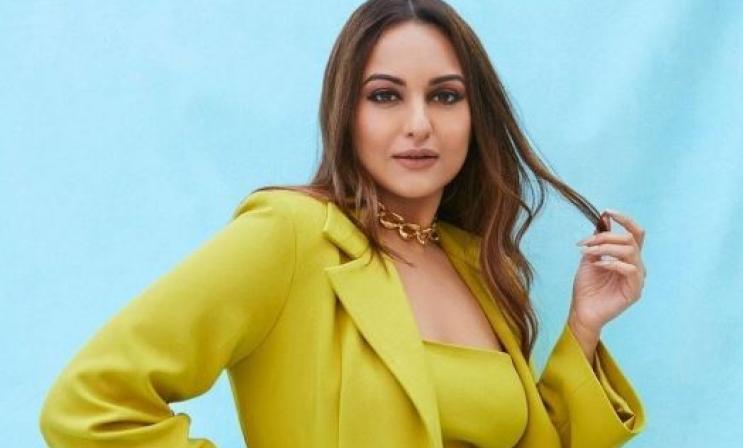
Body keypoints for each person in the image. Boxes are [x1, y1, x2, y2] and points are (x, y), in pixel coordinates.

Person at [39, 0, 648, 447]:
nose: (419, 124)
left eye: (445, 95)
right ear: (345, 112)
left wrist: (584, 326)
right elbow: (92, 405)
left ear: (474, 116)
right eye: (385, 95)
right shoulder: (291, 234)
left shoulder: (476, 264)